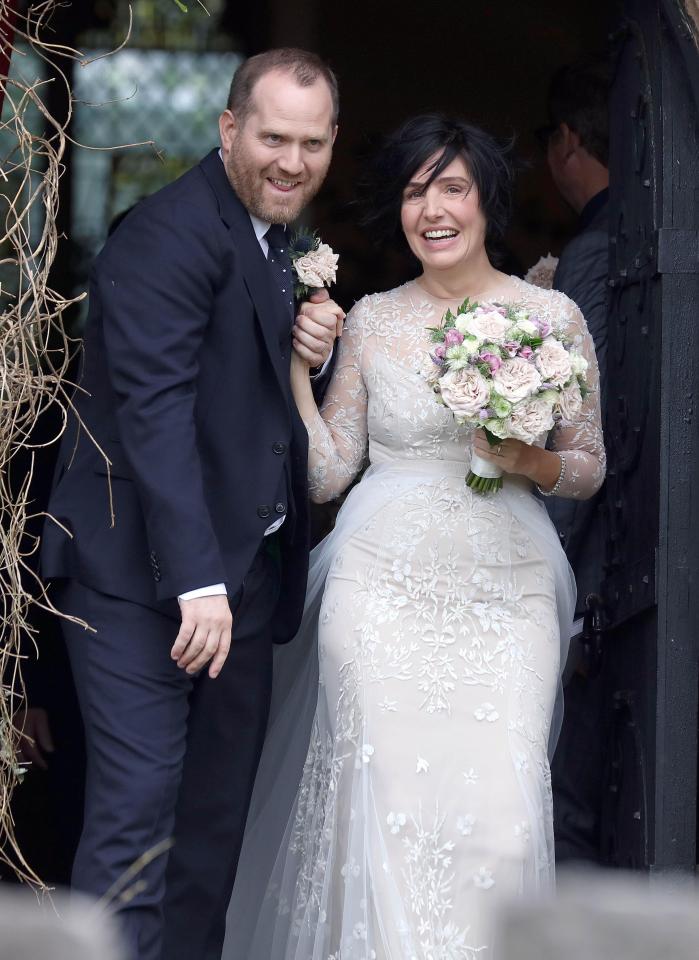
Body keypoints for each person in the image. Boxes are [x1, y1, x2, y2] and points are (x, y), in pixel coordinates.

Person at [225, 114, 605, 958]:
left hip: (507, 589)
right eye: (412, 191)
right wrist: (294, 370)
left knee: (501, 809)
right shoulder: (368, 321)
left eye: (452, 188)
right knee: (383, 796)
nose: (430, 209)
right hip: (379, 586)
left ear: (486, 203)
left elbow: (586, 464)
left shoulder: (551, 315)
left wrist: (522, 459)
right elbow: (327, 474)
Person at [40, 48, 344, 960]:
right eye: (272, 138)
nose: (291, 161)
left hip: (241, 587)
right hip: (142, 581)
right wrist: (198, 580)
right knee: (138, 822)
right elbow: (156, 415)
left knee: (211, 838)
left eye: (312, 142)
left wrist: (309, 356)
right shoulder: (165, 234)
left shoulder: (276, 241)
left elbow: (243, 402)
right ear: (227, 130)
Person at [539, 56, 611, 863]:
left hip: (593, 560)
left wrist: (557, 566)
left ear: (565, 140)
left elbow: (580, 430)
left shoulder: (589, 254)